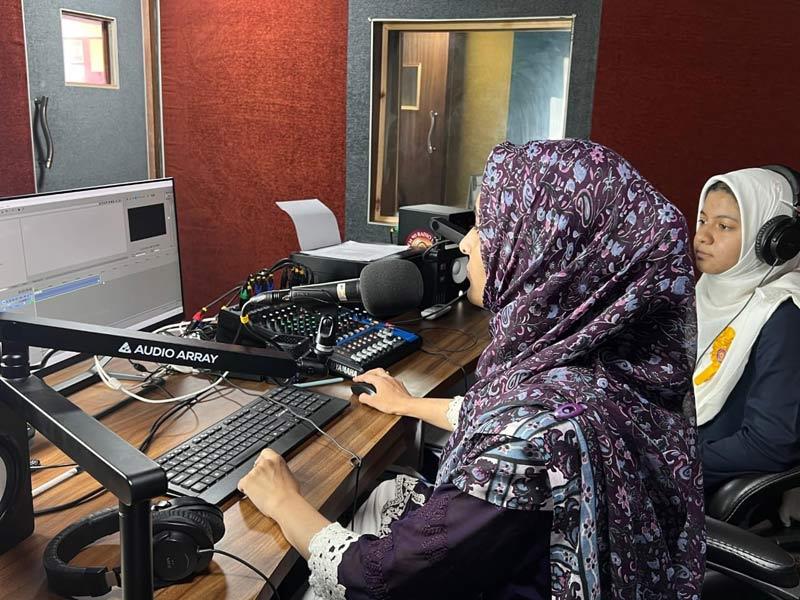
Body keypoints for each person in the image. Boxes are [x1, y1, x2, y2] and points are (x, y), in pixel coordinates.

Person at [238, 139, 704, 599]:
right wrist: (409, 405)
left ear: (545, 254)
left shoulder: (527, 444)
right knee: (382, 493)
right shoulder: (605, 363)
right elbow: (504, 415)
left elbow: (380, 578)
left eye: (485, 226)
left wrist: (284, 501)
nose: (465, 242)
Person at [694, 168, 800, 494]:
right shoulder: (702, 290)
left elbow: (770, 444)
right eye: (702, 220)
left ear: (773, 241)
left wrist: (669, 463)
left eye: (724, 226)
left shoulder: (785, 317)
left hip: (696, 479)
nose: (703, 236)